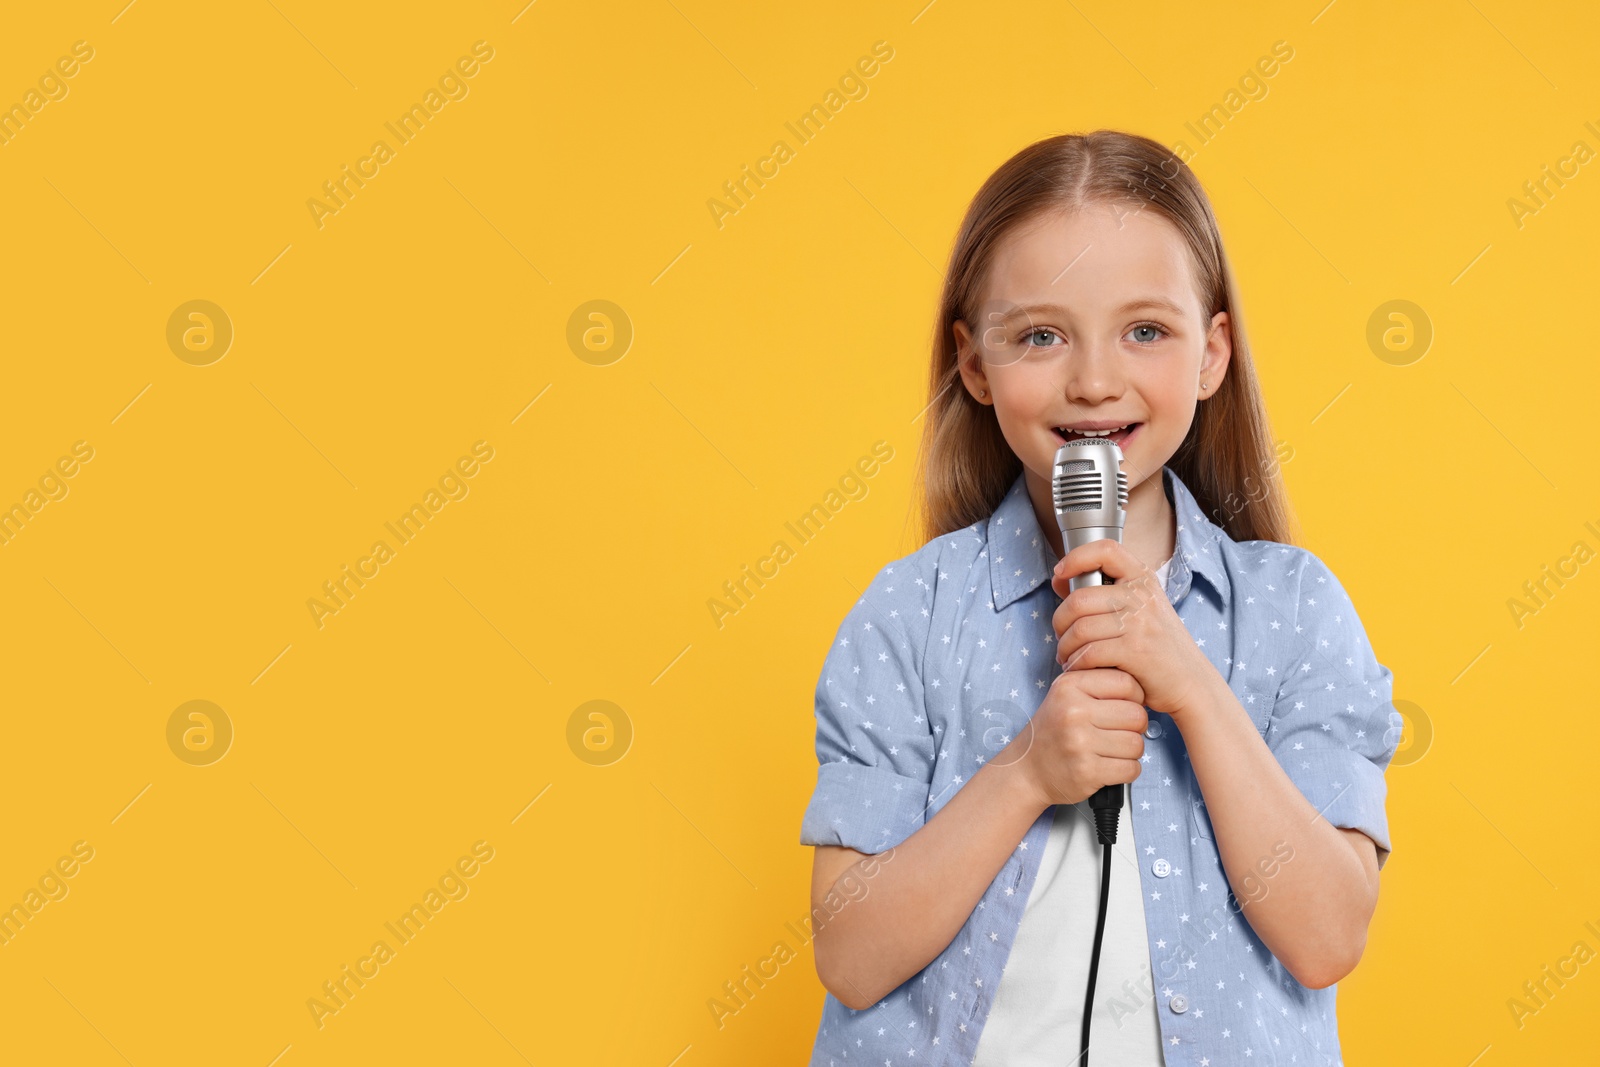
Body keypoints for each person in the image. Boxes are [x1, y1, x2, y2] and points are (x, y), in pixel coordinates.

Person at [798, 129, 1403, 1066]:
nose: (1092, 379)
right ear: (974, 363)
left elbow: (1327, 937)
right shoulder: (910, 614)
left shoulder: (1295, 612)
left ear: (1212, 355)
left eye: (1145, 330)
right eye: (1040, 335)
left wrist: (1193, 687)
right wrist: (1027, 774)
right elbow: (849, 950)